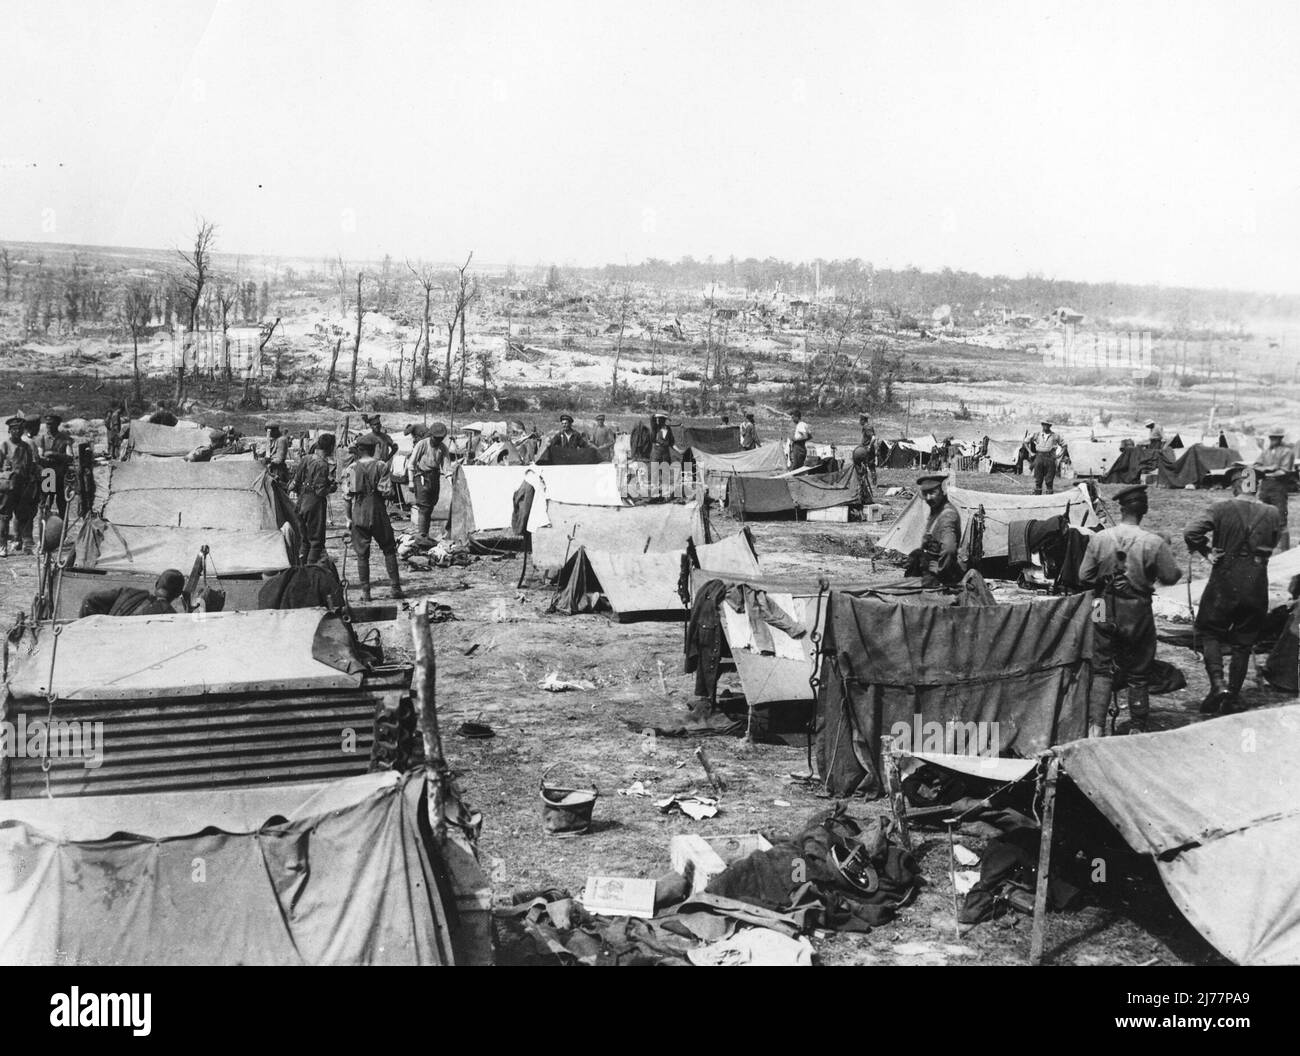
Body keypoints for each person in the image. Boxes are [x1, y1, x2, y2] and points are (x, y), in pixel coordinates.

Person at [1078, 484, 1181, 735]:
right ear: (1144, 509)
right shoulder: (1153, 542)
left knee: (1101, 668)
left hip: (1101, 606)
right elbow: (1171, 576)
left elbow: (1084, 576)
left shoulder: (1099, 538)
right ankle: (1136, 727)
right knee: (1138, 672)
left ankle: (1096, 728)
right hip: (1136, 609)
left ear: (1121, 508)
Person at [1184, 465, 1282, 716]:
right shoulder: (1272, 512)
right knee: (1244, 642)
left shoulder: (1221, 508)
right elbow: (1274, 540)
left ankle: (1218, 685)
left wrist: (1207, 551)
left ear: (1234, 485)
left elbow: (1190, 531)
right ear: (1256, 485)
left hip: (1224, 580)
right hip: (1256, 581)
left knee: (1209, 632)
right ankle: (1232, 697)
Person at [346, 434, 403, 602]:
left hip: (358, 511)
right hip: (377, 511)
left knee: (362, 554)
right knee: (388, 548)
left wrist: (348, 518)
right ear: (373, 449)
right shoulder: (381, 466)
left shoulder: (351, 468)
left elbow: (346, 496)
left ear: (359, 450)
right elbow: (387, 492)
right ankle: (395, 588)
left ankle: (366, 593)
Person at [905, 473, 962, 587]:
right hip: (927, 566)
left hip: (937, 577)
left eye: (932, 493)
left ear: (942, 491)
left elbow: (949, 549)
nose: (928, 498)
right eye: (925, 494)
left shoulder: (947, 516)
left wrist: (941, 570)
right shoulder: (936, 509)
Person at [291, 432, 337, 564]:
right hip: (314, 505)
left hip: (301, 502)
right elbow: (321, 491)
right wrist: (332, 488)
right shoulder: (323, 465)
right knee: (316, 542)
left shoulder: (306, 458)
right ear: (330, 448)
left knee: (305, 541)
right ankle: (310, 572)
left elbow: (296, 481)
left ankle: (301, 570)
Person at [0, 415, 38, 557]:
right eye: (14, 429)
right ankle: (2, 545)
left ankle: (24, 543)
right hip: (8, 488)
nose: (17, 431)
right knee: (4, 517)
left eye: (20, 429)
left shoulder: (26, 446)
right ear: (10, 430)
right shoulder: (4, 446)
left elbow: (31, 465)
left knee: (24, 516)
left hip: (23, 487)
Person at [1253, 425, 1294, 548]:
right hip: (1265, 487)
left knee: (1281, 521)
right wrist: (1270, 468)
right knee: (1262, 518)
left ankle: (1284, 551)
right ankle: (1263, 548)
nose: (1272, 439)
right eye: (1271, 437)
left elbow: (1284, 471)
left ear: (1281, 438)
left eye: (1275, 437)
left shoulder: (1287, 452)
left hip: (1278, 488)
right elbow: (1255, 466)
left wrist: (1264, 471)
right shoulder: (1266, 452)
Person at [79, 569, 185, 617]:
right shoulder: (172, 617)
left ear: (156, 584)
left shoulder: (128, 593)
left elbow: (90, 599)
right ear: (178, 594)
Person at [408, 422, 449, 539]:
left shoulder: (443, 448)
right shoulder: (422, 444)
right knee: (423, 508)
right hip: (421, 476)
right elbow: (411, 463)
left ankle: (424, 534)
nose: (438, 440)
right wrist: (411, 481)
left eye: (441, 438)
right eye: (436, 438)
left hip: (434, 477)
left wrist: (452, 483)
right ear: (431, 435)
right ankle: (422, 535)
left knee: (430, 507)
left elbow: (447, 467)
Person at [35, 413, 72, 519]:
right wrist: (44, 458)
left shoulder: (65, 439)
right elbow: (40, 455)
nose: (49, 426)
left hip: (61, 476)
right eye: (47, 424)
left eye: (51, 424)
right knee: (45, 504)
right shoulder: (42, 438)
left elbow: (70, 457)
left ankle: (62, 532)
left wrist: (54, 454)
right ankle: (44, 530)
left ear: (58, 424)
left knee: (62, 505)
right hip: (47, 476)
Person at [1028, 419, 1063, 495]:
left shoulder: (1055, 435)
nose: (1045, 426)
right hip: (1039, 457)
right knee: (1038, 480)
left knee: (1049, 481)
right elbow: (1025, 442)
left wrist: (1060, 454)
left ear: (1050, 426)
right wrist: (1030, 452)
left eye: (1047, 425)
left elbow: (1064, 445)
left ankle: (1049, 499)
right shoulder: (1037, 434)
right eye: (1044, 424)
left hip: (1050, 458)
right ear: (1042, 425)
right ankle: (1037, 498)